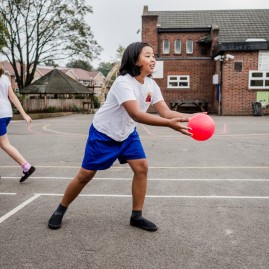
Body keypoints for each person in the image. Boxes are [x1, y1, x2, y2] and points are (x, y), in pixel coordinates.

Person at [48, 42, 194, 231]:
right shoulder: (123, 82)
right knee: (85, 175)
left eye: (154, 56)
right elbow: (137, 114)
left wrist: (192, 118)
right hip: (104, 133)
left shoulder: (151, 84)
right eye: (147, 55)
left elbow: (165, 112)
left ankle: (136, 216)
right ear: (135, 60)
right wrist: (168, 125)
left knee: (141, 168)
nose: (153, 59)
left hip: (127, 133)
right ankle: (60, 209)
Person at [0, 64, 36, 182]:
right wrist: (24, 114)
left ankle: (27, 166)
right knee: (3, 143)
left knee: (5, 144)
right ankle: (26, 167)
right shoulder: (4, 78)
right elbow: (13, 96)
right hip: (7, 114)